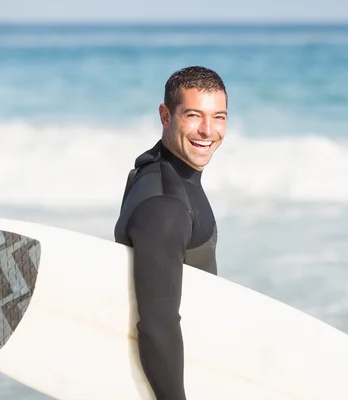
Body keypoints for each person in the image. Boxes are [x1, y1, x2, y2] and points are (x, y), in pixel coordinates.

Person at [114, 65, 228, 399]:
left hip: (195, 369)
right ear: (166, 115)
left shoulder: (153, 170)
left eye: (219, 117)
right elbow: (157, 328)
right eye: (193, 115)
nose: (208, 131)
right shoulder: (165, 208)